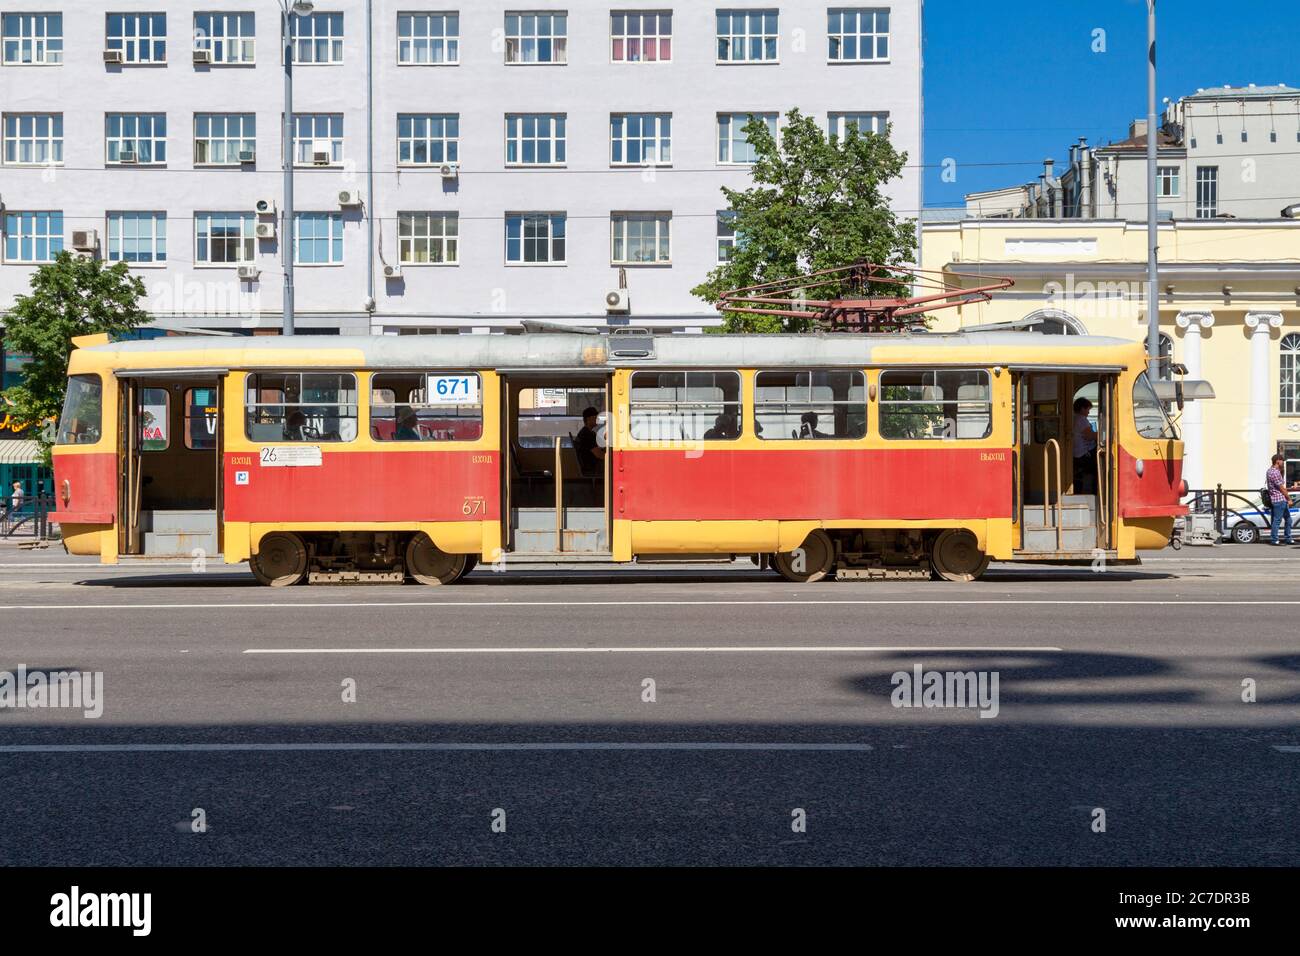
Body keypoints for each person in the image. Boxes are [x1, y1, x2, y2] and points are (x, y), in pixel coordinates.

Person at [1265, 453, 1294, 545]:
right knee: (1277, 521)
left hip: (1276, 499)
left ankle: (1288, 538)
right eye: (1282, 460)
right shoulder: (1275, 472)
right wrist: (1289, 499)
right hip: (1279, 500)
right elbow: (1282, 488)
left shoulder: (1270, 471)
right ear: (1277, 461)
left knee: (1288, 519)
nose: (1283, 462)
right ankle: (1274, 540)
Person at [1072, 398, 1098, 495]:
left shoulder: (1074, 418)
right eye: (1088, 409)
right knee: (1099, 466)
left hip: (1077, 452)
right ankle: (1094, 491)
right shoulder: (1081, 419)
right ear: (1082, 409)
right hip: (1083, 454)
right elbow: (1089, 436)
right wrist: (1104, 433)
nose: (1088, 412)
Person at [573, 406, 605, 477]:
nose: (598, 419)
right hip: (593, 468)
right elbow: (599, 455)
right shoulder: (587, 435)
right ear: (589, 419)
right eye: (596, 417)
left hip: (592, 466)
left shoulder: (588, 432)